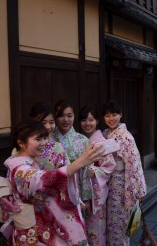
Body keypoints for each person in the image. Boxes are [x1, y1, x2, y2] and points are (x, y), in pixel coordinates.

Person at [2, 118, 103, 245]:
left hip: (33, 224)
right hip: (29, 230)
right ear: (21, 142)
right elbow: (42, 180)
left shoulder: (23, 161)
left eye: (45, 138)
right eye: (38, 139)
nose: (44, 143)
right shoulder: (19, 168)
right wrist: (80, 162)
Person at [101, 100, 147, 246]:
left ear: (121, 115)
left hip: (121, 185)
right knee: (108, 223)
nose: (111, 118)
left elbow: (134, 165)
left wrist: (138, 190)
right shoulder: (105, 134)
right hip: (106, 183)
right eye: (107, 116)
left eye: (114, 114)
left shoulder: (126, 137)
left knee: (118, 225)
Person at [78, 105, 116, 246]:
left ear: (97, 121)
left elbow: (110, 165)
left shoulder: (100, 141)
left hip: (95, 194)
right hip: (82, 192)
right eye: (83, 120)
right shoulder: (79, 140)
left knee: (95, 230)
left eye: (91, 120)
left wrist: (95, 171)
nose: (87, 124)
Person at [52, 100, 93, 213]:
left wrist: (87, 199)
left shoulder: (83, 141)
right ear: (55, 117)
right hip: (54, 191)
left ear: (74, 117)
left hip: (76, 191)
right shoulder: (48, 140)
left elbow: (86, 171)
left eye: (69, 116)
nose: (65, 120)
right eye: (61, 116)